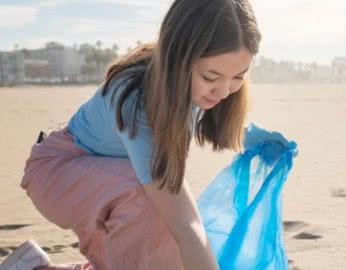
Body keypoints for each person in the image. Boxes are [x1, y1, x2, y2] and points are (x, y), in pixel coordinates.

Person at [0, 0, 274, 269]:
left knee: (159, 234)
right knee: (156, 210)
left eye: (239, 76)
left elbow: (207, 124)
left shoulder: (195, 88)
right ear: (177, 59)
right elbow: (185, 225)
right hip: (57, 173)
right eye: (211, 77)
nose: (225, 91)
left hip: (106, 179)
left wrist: (253, 137)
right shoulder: (138, 98)